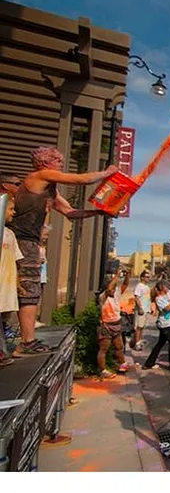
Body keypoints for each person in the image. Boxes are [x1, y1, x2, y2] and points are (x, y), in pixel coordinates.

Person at [8, 146, 117, 356]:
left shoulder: (50, 188)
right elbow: (81, 179)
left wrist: (98, 212)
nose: (61, 165)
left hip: (29, 241)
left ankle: (26, 340)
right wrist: (107, 173)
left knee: (30, 291)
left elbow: (70, 212)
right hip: (23, 241)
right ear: (46, 162)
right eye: (57, 161)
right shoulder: (40, 175)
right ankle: (27, 342)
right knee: (29, 292)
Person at [142, 281, 170, 371]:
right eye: (165, 286)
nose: (167, 287)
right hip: (166, 325)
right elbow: (167, 308)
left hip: (168, 324)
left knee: (160, 344)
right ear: (162, 288)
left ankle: (149, 363)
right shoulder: (158, 299)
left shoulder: (166, 296)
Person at [0, 195, 22, 368]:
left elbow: (16, 261)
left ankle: (2, 351)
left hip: (6, 286)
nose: (13, 213)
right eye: (10, 209)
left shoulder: (10, 234)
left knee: (3, 319)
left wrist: (17, 283)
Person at [97, 267, 130, 379]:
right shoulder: (103, 297)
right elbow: (109, 287)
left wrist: (127, 275)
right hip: (106, 326)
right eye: (112, 288)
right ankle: (103, 370)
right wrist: (117, 274)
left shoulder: (116, 293)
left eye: (114, 288)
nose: (113, 290)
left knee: (119, 346)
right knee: (103, 349)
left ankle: (122, 364)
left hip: (116, 325)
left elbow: (125, 285)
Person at [133, 270, 152, 350]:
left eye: (149, 277)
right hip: (141, 310)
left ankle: (140, 342)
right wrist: (140, 307)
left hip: (146, 309)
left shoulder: (147, 287)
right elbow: (136, 297)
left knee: (142, 327)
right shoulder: (139, 286)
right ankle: (137, 344)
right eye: (147, 277)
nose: (148, 278)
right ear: (142, 277)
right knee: (138, 327)